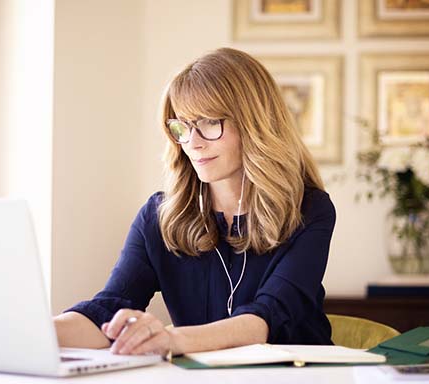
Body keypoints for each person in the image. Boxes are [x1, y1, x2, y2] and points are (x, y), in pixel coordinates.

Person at [54, 47, 336, 359]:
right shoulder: (159, 217)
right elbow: (107, 310)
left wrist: (169, 339)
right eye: (183, 126)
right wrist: (36, 331)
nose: (193, 141)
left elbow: (266, 319)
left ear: (254, 122)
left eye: (210, 123)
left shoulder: (309, 210)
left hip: (299, 381)